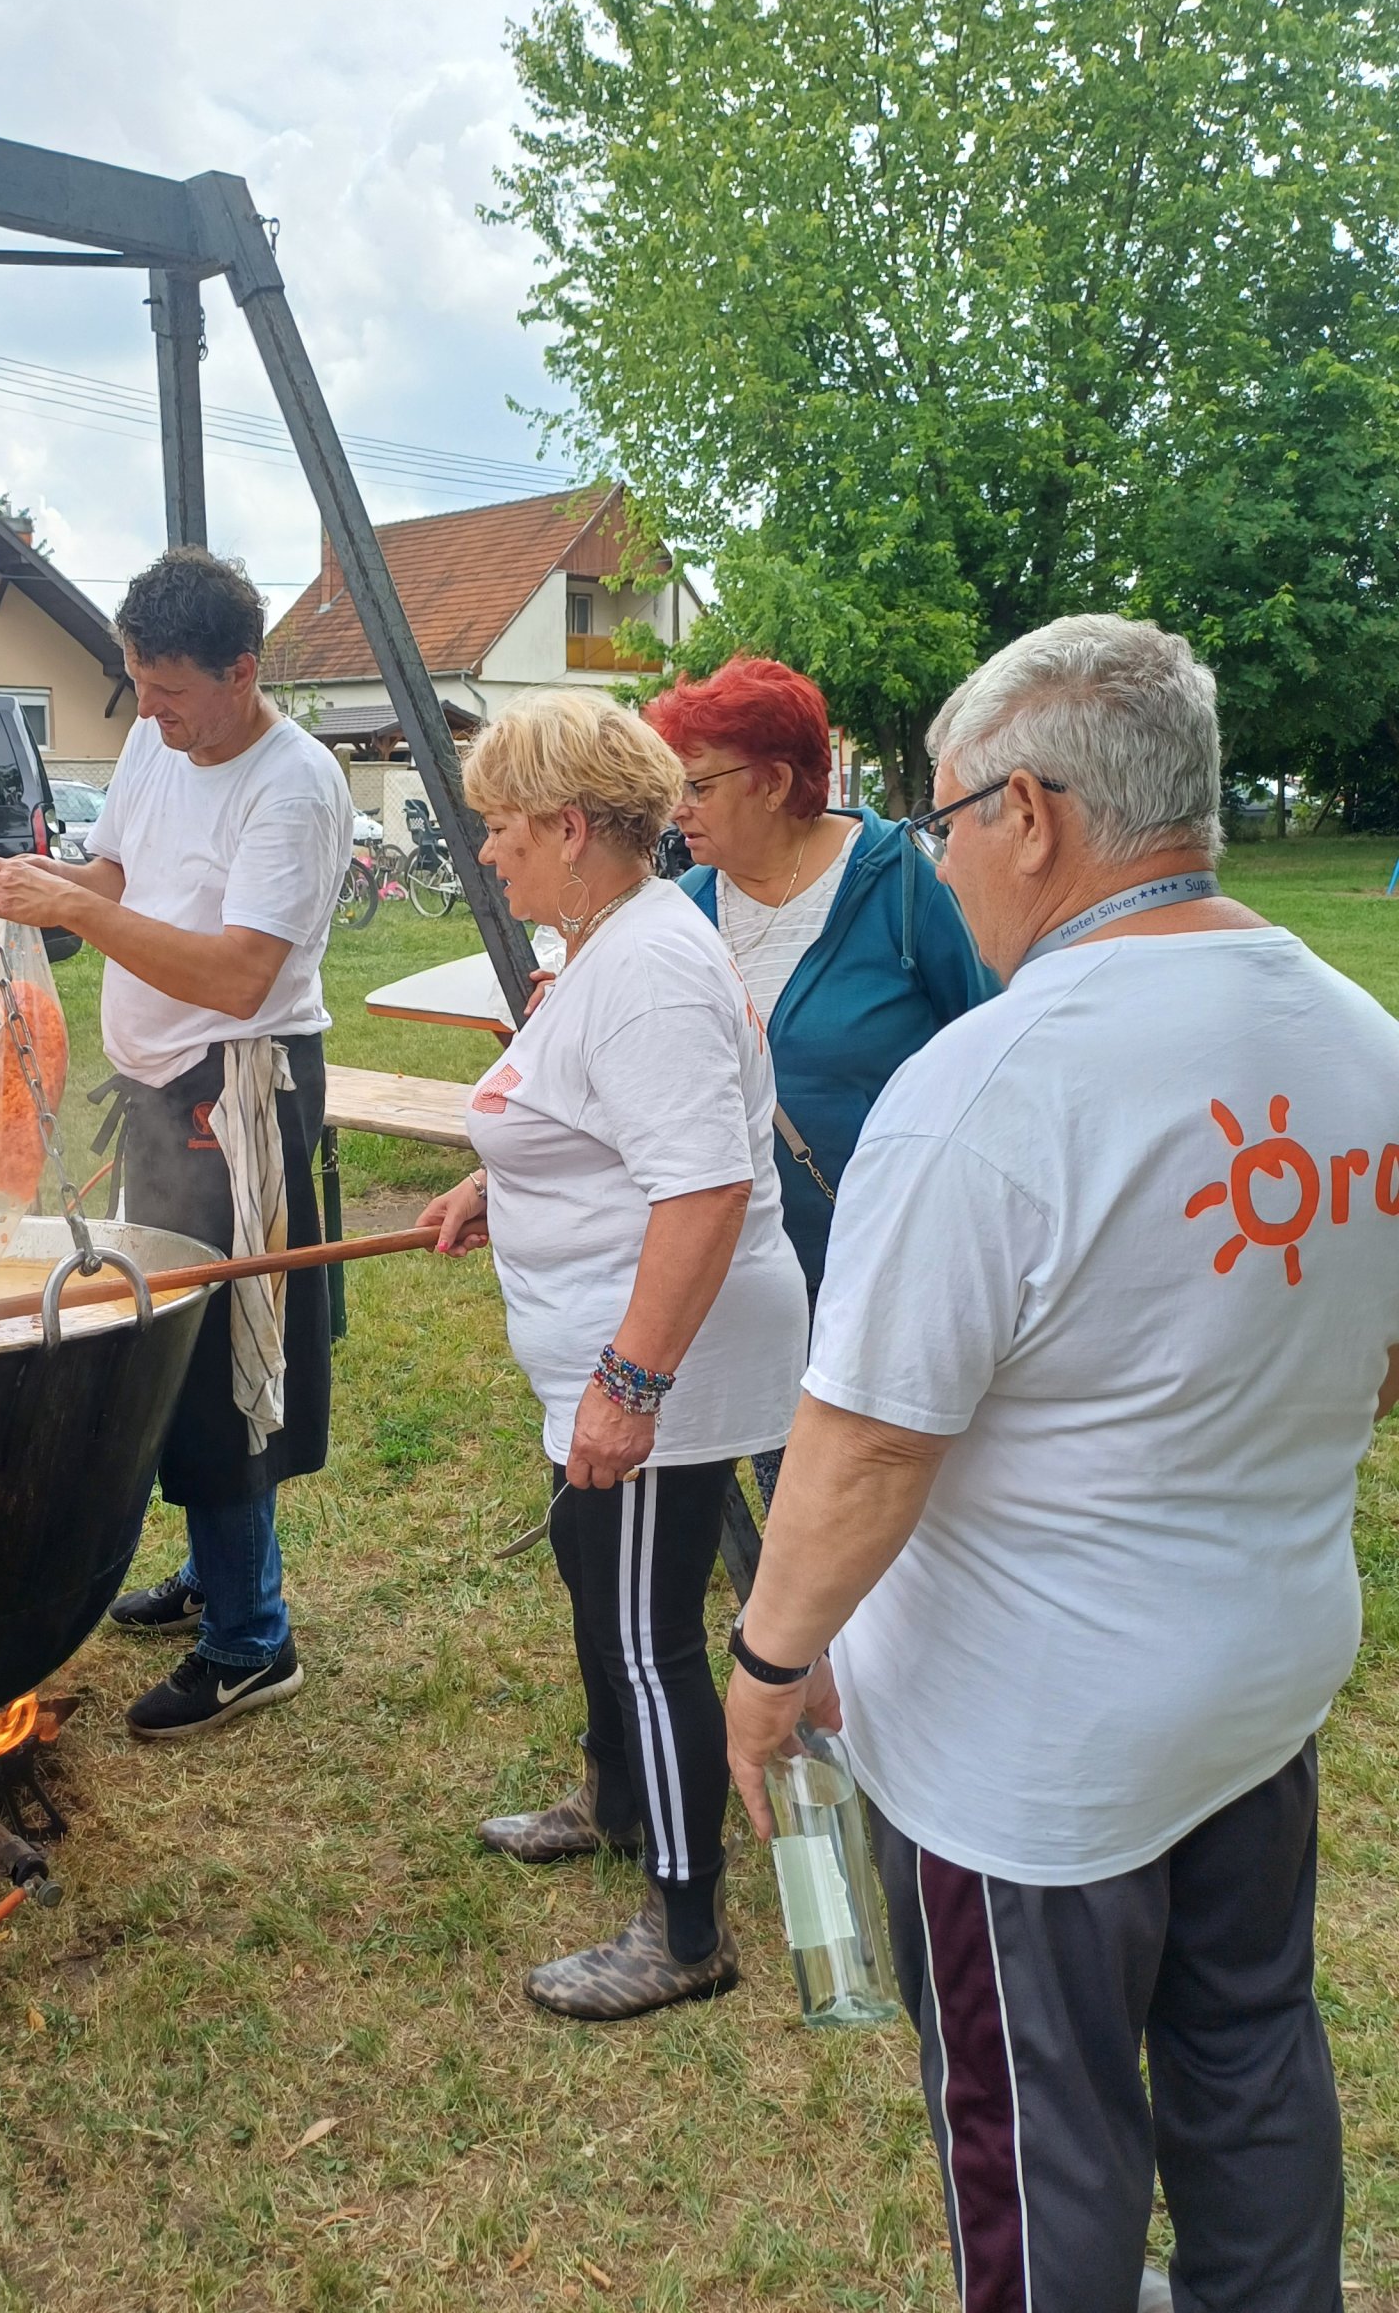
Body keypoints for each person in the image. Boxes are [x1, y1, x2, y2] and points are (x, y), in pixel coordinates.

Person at [724, 616, 1399, 2313]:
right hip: (1262, 1673)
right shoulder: (1362, 1040)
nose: (940, 863)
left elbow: (867, 1442)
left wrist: (770, 1663)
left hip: (1034, 1745)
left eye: (945, 820)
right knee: (1250, 2043)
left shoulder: (990, 1085)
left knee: (1041, 2126)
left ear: (1028, 814)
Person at [419, 692, 807, 2019]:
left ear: (572, 828)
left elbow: (701, 1189)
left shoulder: (646, 970)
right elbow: (595, 1121)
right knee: (598, 1576)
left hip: (664, 1359)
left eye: (502, 826)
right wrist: (498, 1186)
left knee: (648, 1633)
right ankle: (615, 1798)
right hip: (608, 1347)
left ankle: (687, 1927)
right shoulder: (607, 941)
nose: (488, 850)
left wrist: (631, 1385)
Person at [0, 548, 349, 1743]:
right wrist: (44, 880)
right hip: (157, 1083)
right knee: (172, 1337)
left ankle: (251, 1638)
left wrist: (81, 910)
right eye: (137, 682)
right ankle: (218, 1571)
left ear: (242, 672)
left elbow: (242, 977)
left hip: (236, 1088)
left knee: (229, 1357)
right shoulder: (159, 738)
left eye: (171, 689)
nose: (149, 710)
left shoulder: (295, 787)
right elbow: (116, 870)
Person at [643, 656, 993, 1525]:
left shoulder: (904, 883)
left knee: (897, 1506)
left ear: (774, 783)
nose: (677, 809)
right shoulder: (684, 907)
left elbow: (992, 1047)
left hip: (890, 1267)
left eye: (697, 785)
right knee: (795, 1498)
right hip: (750, 1273)